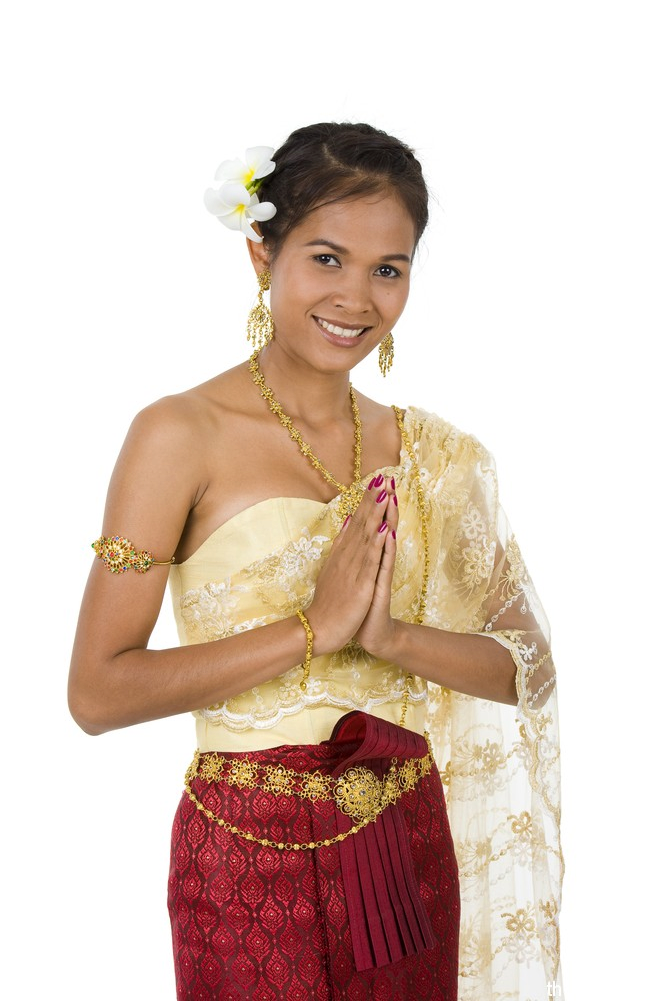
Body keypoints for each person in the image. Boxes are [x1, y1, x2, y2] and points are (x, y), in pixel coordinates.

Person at [66, 112, 565, 1000]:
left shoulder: (443, 457)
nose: (356, 301)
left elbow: (527, 667)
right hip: (247, 849)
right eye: (327, 258)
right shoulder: (179, 435)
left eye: (388, 270)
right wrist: (311, 630)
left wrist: (391, 637)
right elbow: (98, 693)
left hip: (408, 840)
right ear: (263, 252)